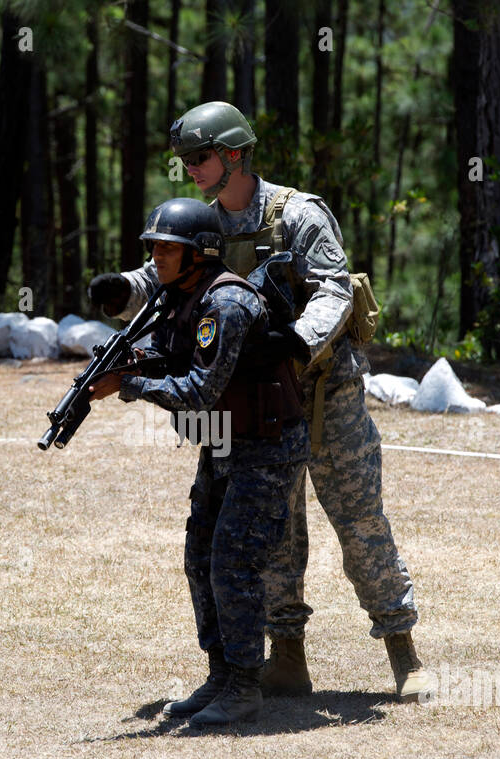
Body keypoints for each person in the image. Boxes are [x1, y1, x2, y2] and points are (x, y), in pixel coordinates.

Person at [89, 102, 430, 700]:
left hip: (324, 392)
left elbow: (333, 291)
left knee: (358, 520)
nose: (189, 169)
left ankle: (404, 652)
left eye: (199, 157)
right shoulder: (206, 221)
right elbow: (162, 271)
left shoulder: (300, 216)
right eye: (184, 160)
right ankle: (287, 657)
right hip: (259, 406)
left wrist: (294, 344)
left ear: (236, 153)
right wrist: (122, 291)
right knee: (275, 532)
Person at [89, 198, 308, 725]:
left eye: (169, 248)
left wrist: (130, 384)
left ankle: (244, 685)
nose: (158, 257)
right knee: (200, 555)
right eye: (155, 247)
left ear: (200, 254)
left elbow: (201, 390)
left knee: (234, 561)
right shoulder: (177, 296)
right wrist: (131, 362)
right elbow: (180, 359)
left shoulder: (225, 303)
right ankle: (221, 674)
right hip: (227, 442)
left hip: (266, 446)